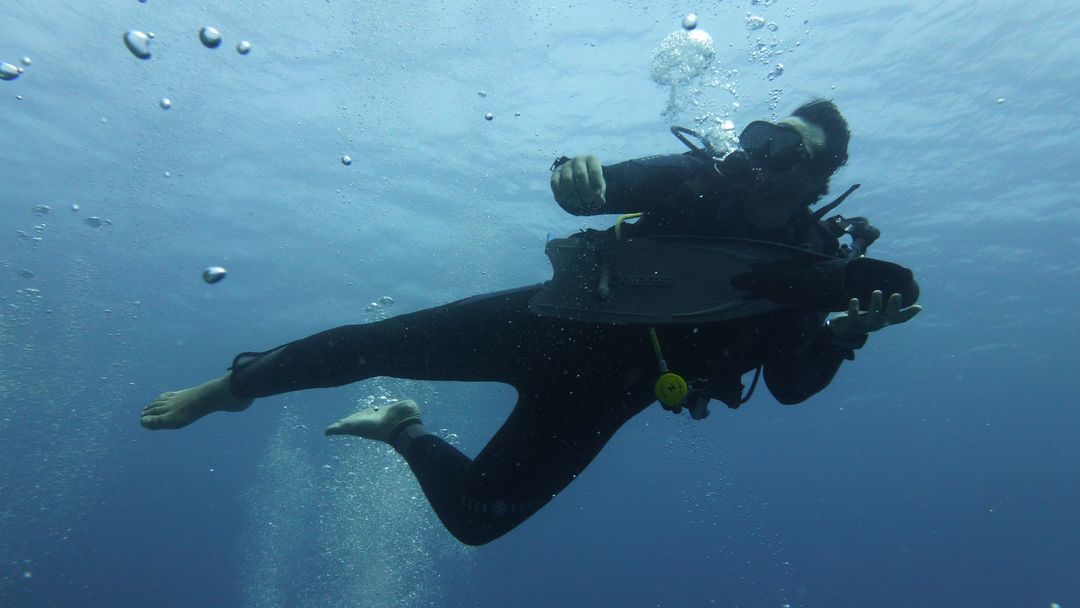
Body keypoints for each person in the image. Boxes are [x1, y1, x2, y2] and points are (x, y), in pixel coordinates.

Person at [141, 99, 920, 546]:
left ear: (814, 179)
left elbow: (788, 384)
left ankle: (401, 427)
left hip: (611, 393)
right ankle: (231, 387)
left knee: (477, 521)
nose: (756, 156)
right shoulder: (700, 178)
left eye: (781, 150)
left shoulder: (814, 270)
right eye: (757, 137)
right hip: (548, 321)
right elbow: (603, 186)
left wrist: (841, 339)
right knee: (371, 344)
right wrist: (575, 177)